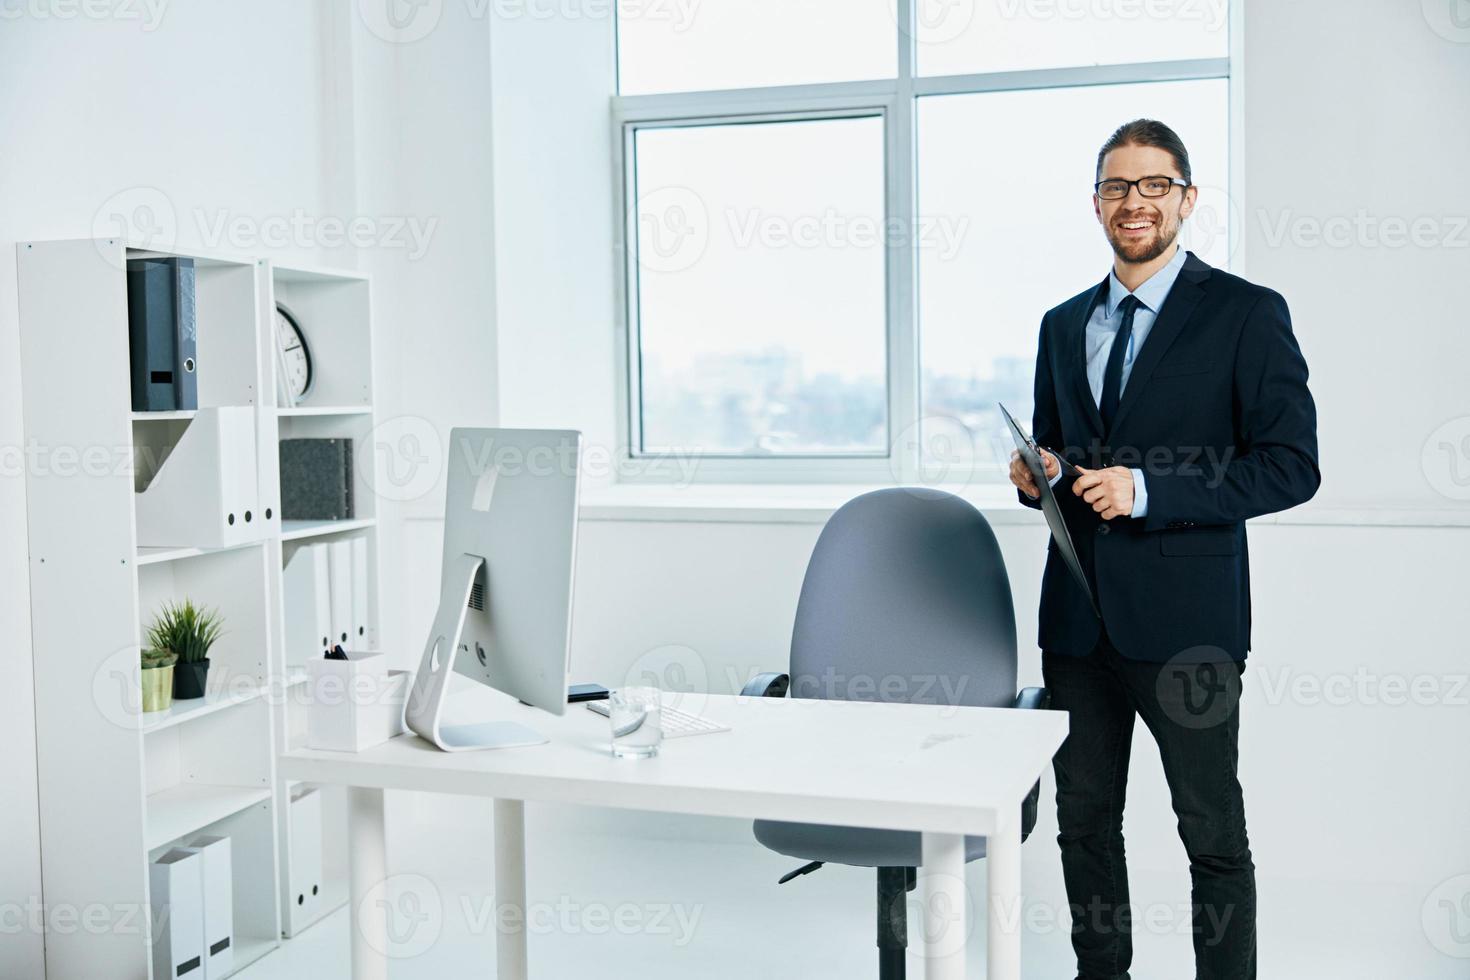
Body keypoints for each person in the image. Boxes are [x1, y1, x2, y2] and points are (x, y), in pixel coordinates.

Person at [1009, 118, 1320, 980]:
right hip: (1077, 622)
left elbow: (1292, 467)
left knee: (1212, 833)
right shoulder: (1062, 323)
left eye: (1154, 185)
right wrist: (1042, 473)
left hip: (1189, 629)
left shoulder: (1247, 314)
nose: (1134, 202)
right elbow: (1060, 447)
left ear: (1185, 198)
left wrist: (1149, 490)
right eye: (1117, 186)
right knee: (1083, 826)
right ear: (1096, 203)